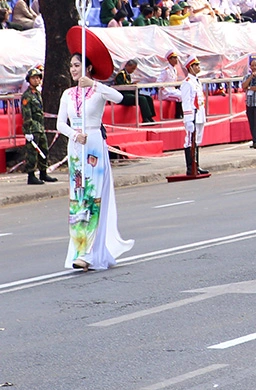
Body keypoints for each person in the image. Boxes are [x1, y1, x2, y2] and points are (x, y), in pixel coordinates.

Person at [57, 29, 133, 271]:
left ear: (88, 68)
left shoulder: (98, 92)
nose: (73, 69)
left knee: (93, 197)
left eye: (78, 65)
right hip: (76, 147)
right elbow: (60, 123)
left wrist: (96, 85)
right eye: (71, 66)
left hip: (94, 149)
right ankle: (78, 249)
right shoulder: (68, 95)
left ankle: (90, 253)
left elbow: (119, 97)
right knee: (77, 198)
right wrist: (73, 134)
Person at [21, 66, 57, 185]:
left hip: (40, 127)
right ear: (29, 80)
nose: (36, 80)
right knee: (32, 152)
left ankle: (43, 172)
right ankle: (31, 175)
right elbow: (26, 114)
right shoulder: (27, 96)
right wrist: (27, 131)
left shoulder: (37, 94)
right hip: (32, 128)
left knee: (44, 150)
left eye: (38, 78)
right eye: (34, 78)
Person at [179, 55, 209, 176]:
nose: (198, 67)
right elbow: (186, 102)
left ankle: (196, 165)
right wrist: (188, 119)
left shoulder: (196, 81)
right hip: (192, 115)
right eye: (196, 65)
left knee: (197, 141)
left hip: (199, 113)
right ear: (190, 67)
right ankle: (190, 167)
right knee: (189, 141)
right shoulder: (187, 83)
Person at [113, 59, 156, 124]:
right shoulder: (121, 75)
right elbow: (121, 87)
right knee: (142, 99)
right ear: (127, 66)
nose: (133, 71)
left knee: (148, 97)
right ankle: (145, 118)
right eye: (132, 68)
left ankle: (150, 117)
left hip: (131, 93)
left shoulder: (128, 75)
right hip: (123, 96)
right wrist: (132, 85)